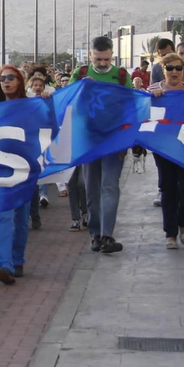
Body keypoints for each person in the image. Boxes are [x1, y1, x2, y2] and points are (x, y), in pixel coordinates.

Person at [71, 36, 129, 254]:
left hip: (114, 140)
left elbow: (130, 107)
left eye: (106, 59)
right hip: (88, 141)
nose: (103, 63)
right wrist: (81, 89)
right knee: (91, 188)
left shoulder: (121, 76)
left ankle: (107, 236)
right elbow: (69, 103)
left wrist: (127, 140)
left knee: (110, 187)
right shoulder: (80, 74)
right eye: (98, 59)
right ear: (90, 56)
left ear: (112, 55)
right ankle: (95, 234)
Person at [149, 56, 184, 249]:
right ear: (163, 69)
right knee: (168, 188)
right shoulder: (153, 90)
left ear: (183, 70)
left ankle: (183, 222)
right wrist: (150, 98)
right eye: (170, 67)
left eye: (178, 68)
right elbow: (139, 111)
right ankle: (170, 233)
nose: (174, 71)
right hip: (163, 148)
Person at [0, 65, 34, 283]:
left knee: (21, 218)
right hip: (1, 170)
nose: (6, 81)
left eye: (11, 77)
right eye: (3, 78)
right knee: (5, 214)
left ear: (20, 81)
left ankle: (17, 260)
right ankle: (3, 265)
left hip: (25, 169)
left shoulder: (32, 107)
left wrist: (47, 101)